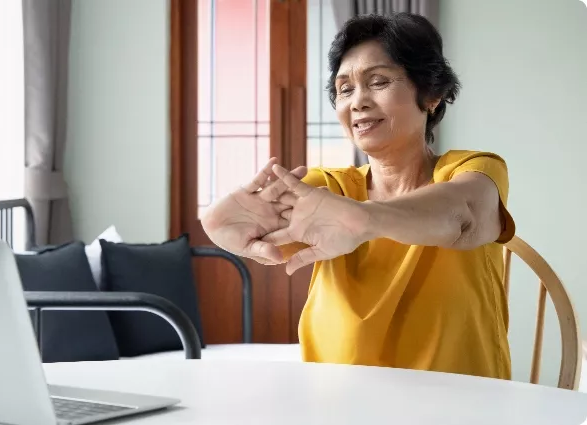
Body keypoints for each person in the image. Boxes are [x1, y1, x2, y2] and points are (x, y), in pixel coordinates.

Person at [201, 12, 516, 380]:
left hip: (461, 404)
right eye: (345, 89)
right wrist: (229, 224)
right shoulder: (329, 188)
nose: (358, 102)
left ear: (431, 94)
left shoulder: (473, 170)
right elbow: (272, 222)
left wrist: (363, 218)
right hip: (339, 402)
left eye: (378, 81)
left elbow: (464, 216)